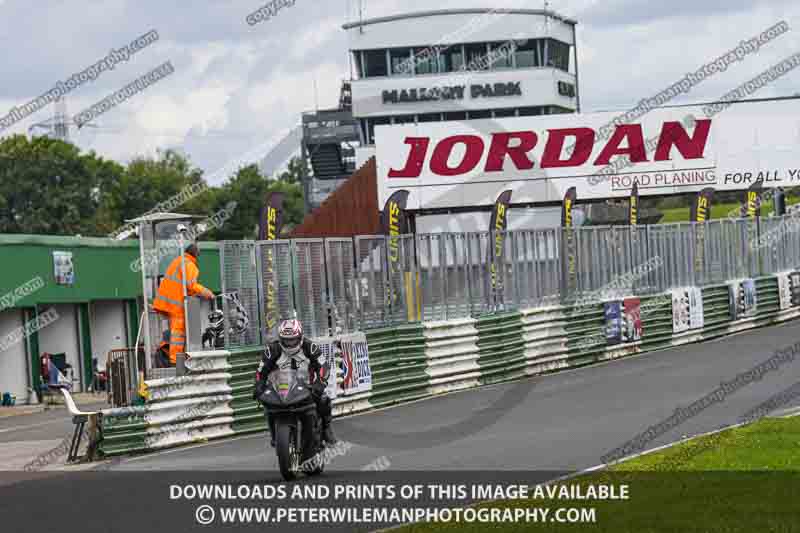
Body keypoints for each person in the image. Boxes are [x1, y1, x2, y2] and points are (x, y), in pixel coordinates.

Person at [252, 318, 337, 446]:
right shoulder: (273, 349)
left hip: (306, 387)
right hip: (281, 388)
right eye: (286, 340)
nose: (290, 343)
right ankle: (275, 435)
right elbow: (261, 371)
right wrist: (259, 385)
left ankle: (326, 428)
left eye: (293, 339)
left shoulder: (310, 347)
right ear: (281, 338)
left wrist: (319, 384)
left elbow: (323, 366)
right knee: (267, 406)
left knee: (324, 399)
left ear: (300, 336)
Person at [153, 244, 214, 365]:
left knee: (175, 331)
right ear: (196, 254)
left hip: (168, 301)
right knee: (178, 331)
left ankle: (172, 355)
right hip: (176, 302)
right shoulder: (189, 264)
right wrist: (208, 293)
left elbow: (185, 285)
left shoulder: (179, 261)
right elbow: (192, 285)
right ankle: (175, 360)